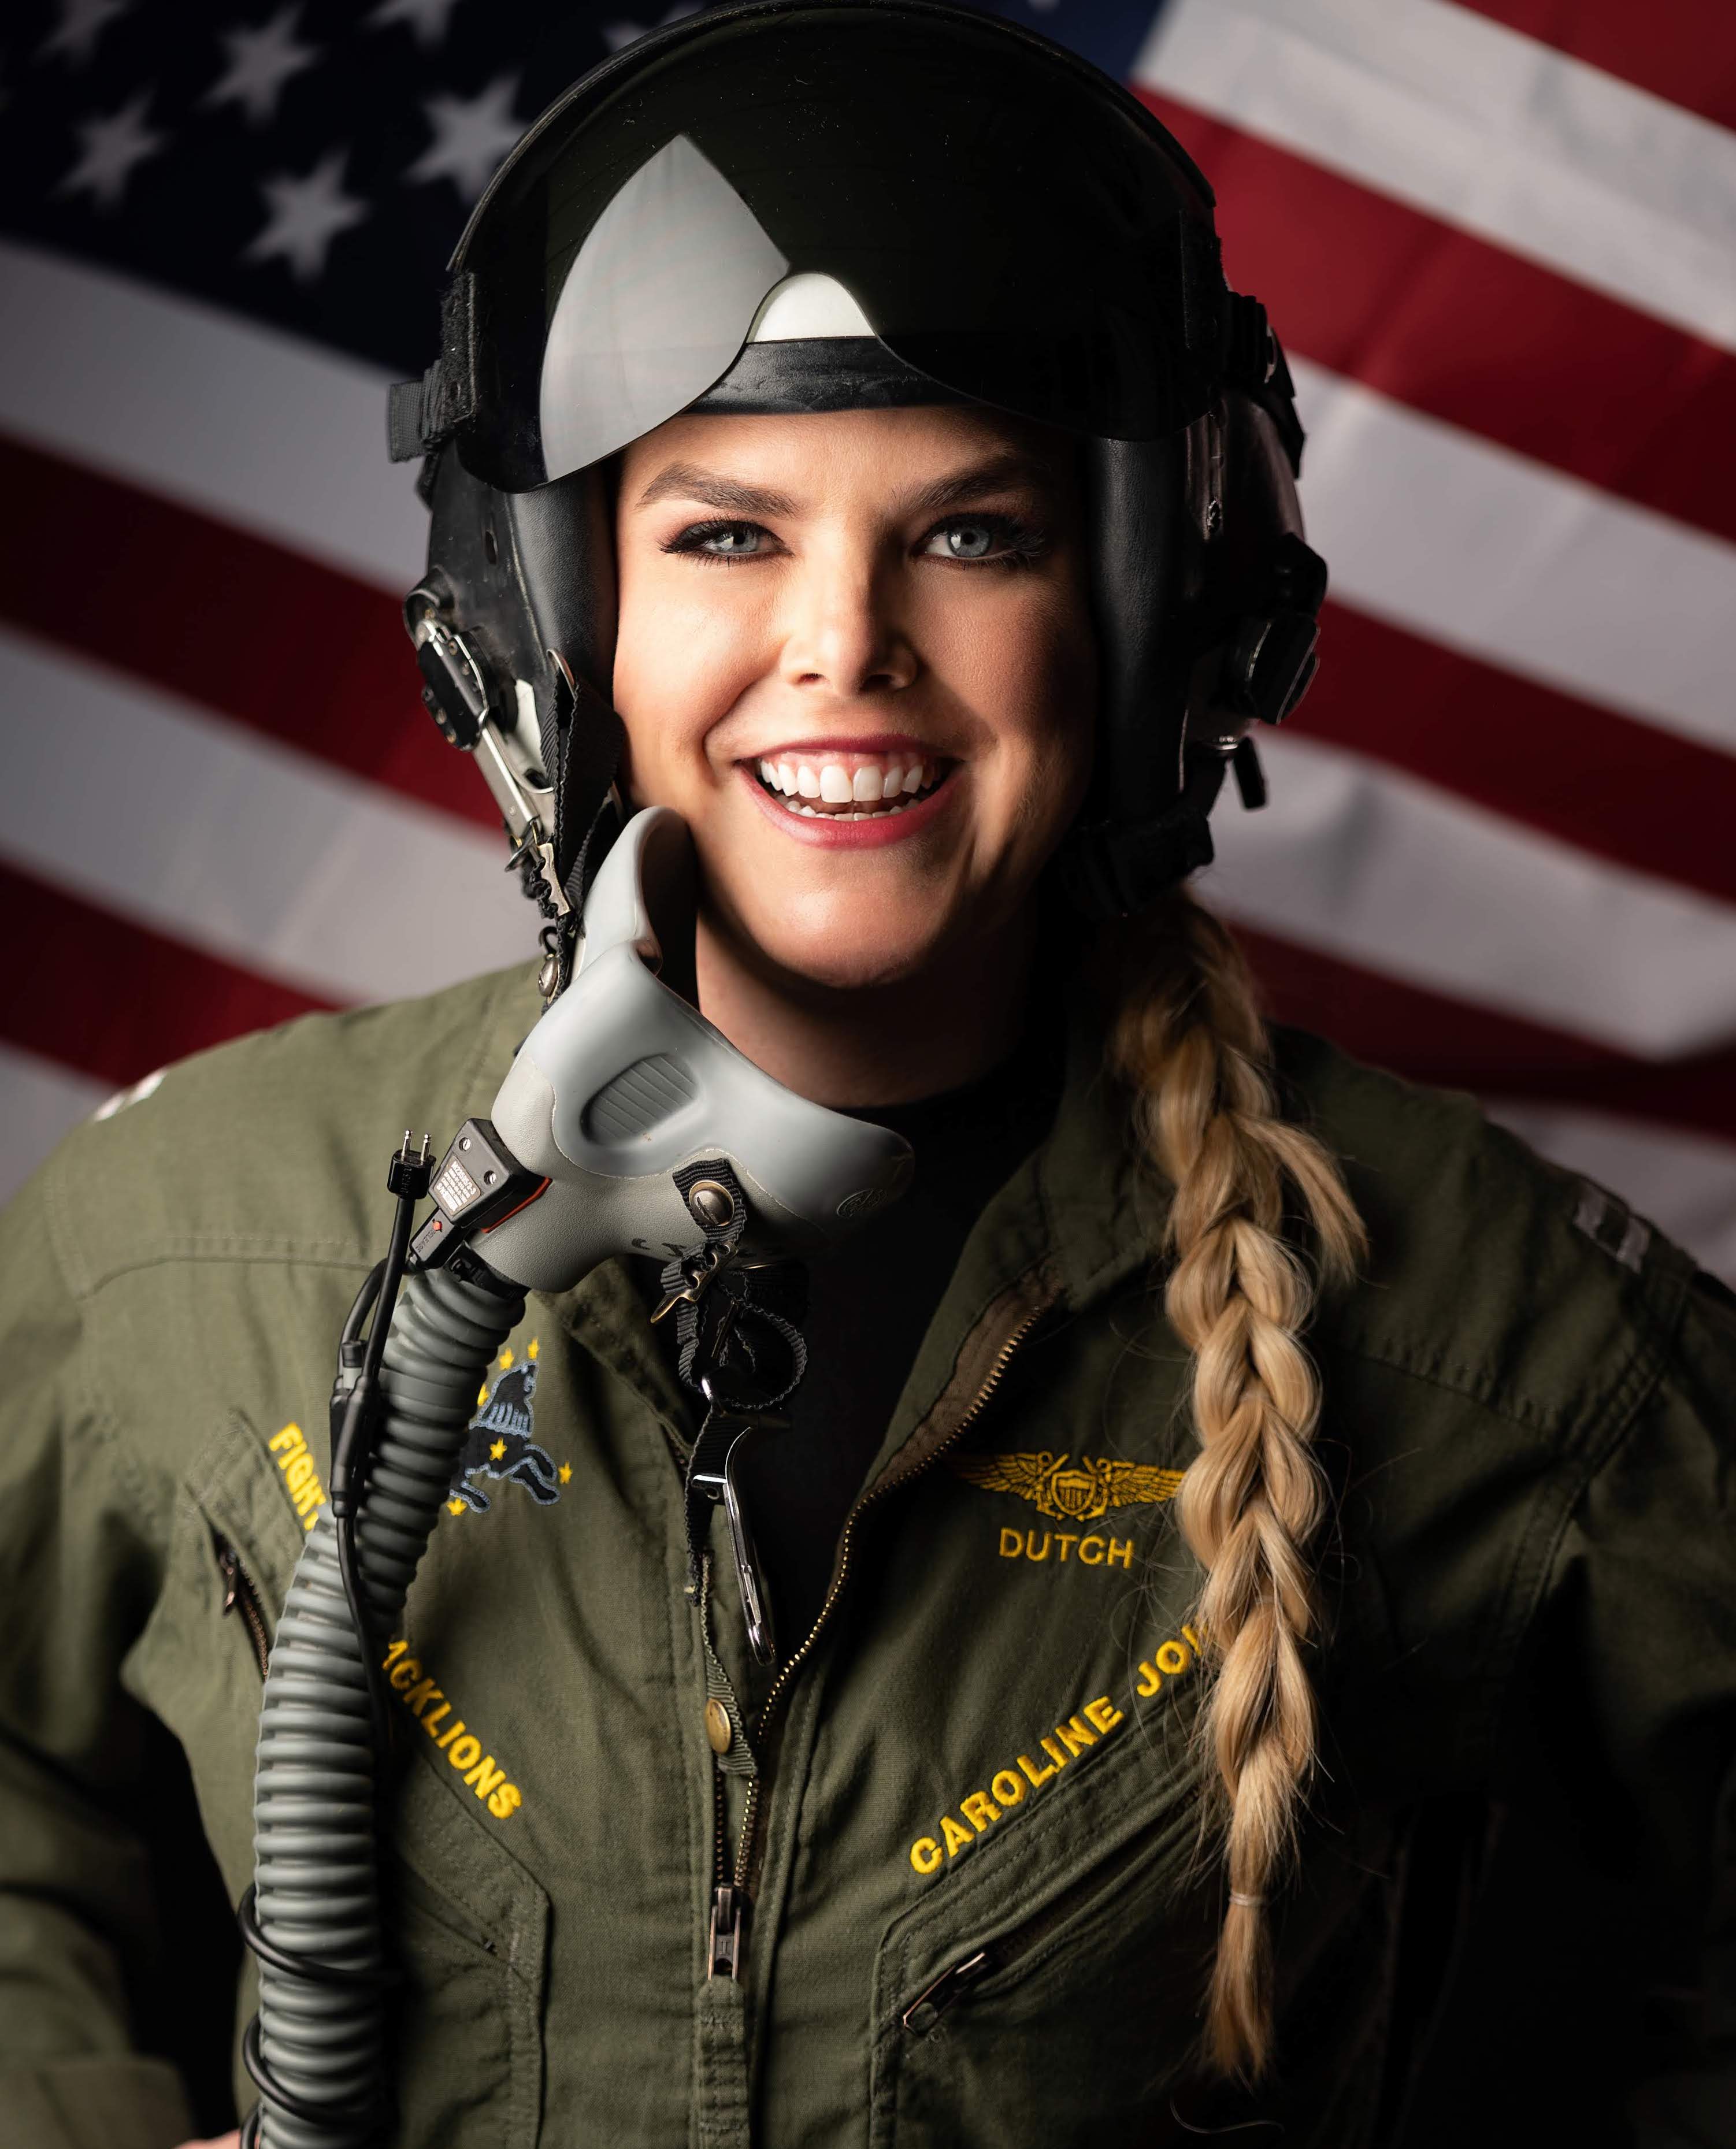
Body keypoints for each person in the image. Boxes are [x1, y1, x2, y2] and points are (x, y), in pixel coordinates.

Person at [2, 5, 1733, 2146]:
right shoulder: (197, 1235)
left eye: (975, 532)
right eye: (725, 533)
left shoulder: (1480, 1325)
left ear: (1152, 612)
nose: (845, 643)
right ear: (553, 625)